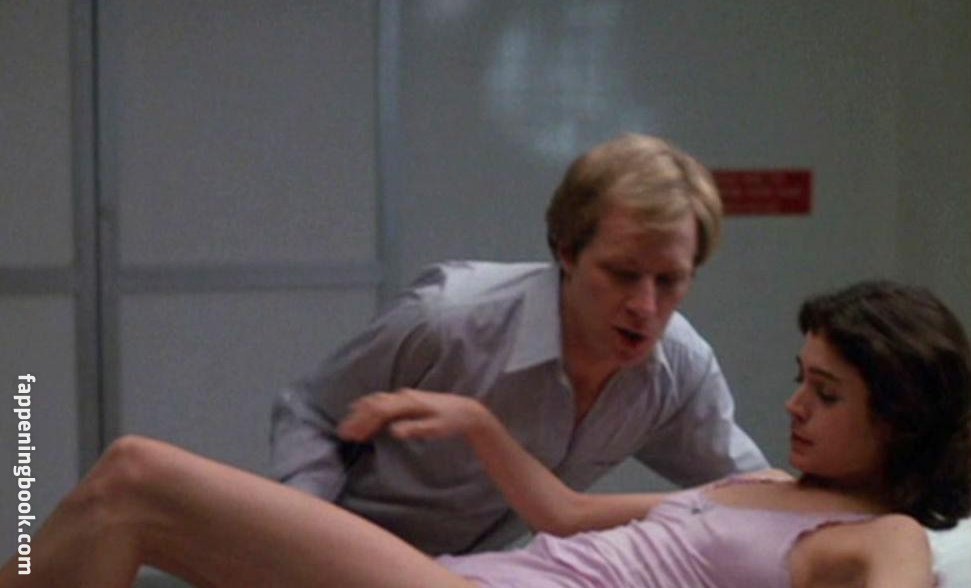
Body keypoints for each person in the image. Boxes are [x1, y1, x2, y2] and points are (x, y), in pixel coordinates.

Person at [2, 280, 968, 587]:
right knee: (118, 511)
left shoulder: (877, 534)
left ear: (900, 418)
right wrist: (475, 422)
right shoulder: (778, 491)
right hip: (475, 575)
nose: (792, 406)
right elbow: (566, 512)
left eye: (825, 394)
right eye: (799, 381)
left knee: (137, 479)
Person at [270, 133, 769, 553]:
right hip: (346, 553)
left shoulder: (680, 368)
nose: (645, 305)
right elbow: (311, 411)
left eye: (670, 280)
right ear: (566, 251)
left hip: (477, 572)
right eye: (622, 274)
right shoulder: (449, 319)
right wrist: (306, 539)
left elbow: (753, 494)